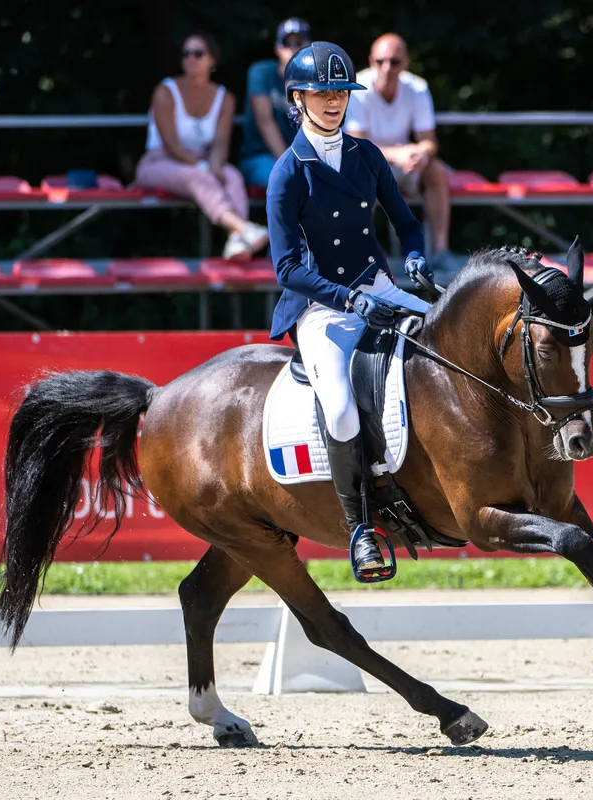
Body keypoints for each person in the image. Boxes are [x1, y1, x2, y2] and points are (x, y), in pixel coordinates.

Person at [265, 41, 434, 582]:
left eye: (341, 91)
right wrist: (346, 298)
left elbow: (406, 222)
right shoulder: (288, 173)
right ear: (298, 99)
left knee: (446, 345)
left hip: (378, 287)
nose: (335, 101)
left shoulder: (367, 155)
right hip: (323, 307)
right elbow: (287, 268)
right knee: (339, 408)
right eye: (323, 93)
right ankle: (361, 529)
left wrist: (414, 256)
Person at [136, 33, 269, 261]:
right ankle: (243, 227)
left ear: (212, 60)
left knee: (232, 176)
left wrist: (214, 165)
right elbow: (171, 145)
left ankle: (237, 242)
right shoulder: (165, 92)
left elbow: (220, 144)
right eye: (186, 54)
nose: (191, 59)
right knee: (198, 177)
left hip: (203, 161)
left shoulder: (224, 98)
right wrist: (205, 167)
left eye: (198, 53)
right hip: (159, 162)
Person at [345, 34, 454, 277]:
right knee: (361, 174)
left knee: (436, 171)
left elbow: (429, 141)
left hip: (405, 166)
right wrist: (400, 153)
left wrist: (420, 153)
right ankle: (363, 255)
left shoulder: (417, 88)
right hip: (370, 166)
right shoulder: (357, 88)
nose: (387, 68)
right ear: (371, 61)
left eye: (394, 62)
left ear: (405, 63)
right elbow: (356, 145)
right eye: (380, 61)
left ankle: (440, 252)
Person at [238, 18, 312, 189]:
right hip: (261, 157)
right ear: (277, 48)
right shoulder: (261, 73)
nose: (293, 48)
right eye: (287, 43)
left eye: (299, 42)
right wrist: (292, 166)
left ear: (310, 46)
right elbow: (265, 122)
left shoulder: (317, 80)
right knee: (291, 182)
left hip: (304, 159)